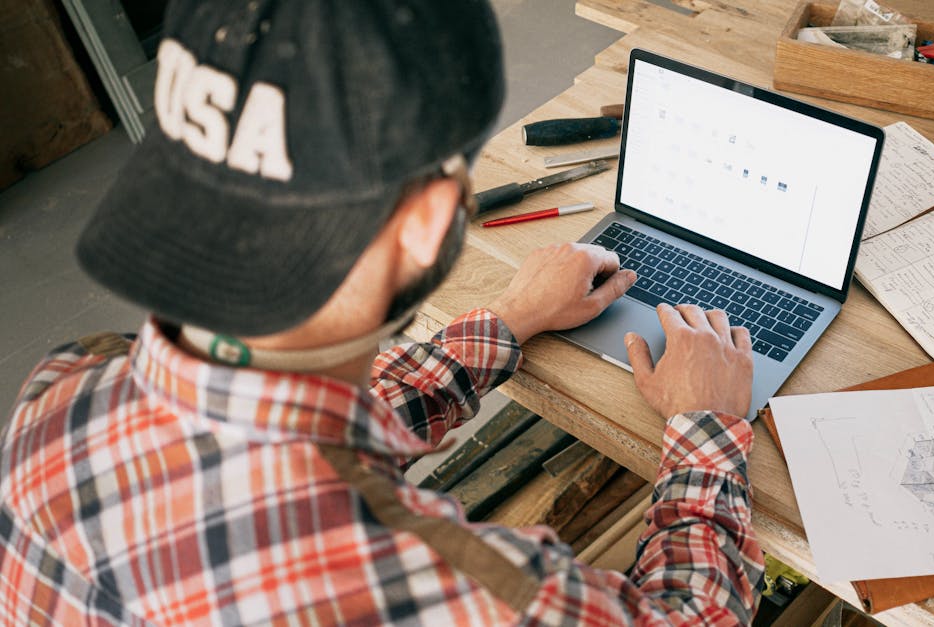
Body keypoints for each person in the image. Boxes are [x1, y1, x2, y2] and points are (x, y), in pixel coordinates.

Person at [0, 1, 763, 624]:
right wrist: (705, 428)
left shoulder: (62, 389)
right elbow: (697, 617)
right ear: (433, 221)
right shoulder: (423, 580)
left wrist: (507, 320)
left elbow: (277, 425)